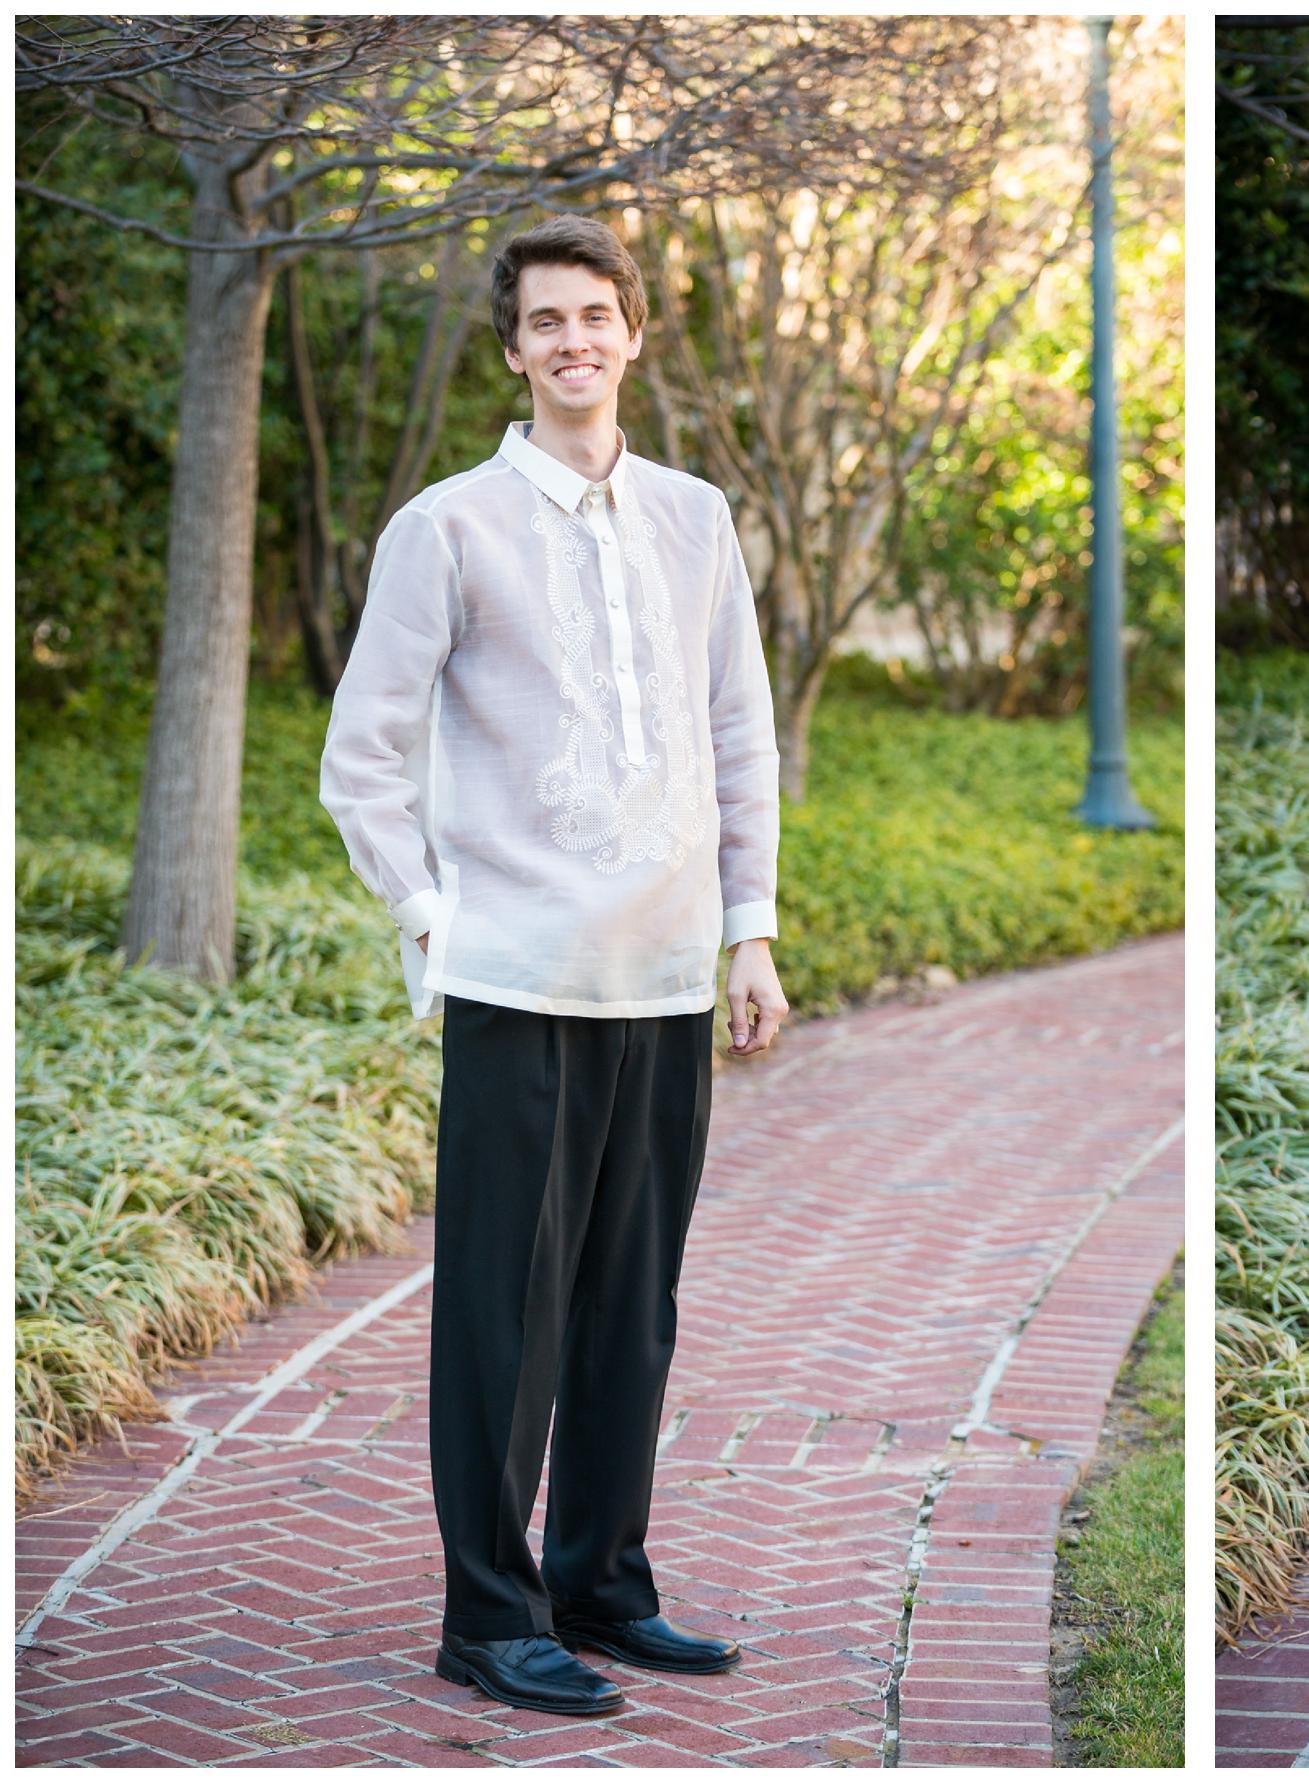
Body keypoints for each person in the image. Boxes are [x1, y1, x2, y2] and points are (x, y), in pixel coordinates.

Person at [320, 214, 790, 1717]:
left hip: (664, 976)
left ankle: (601, 1585)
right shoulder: (446, 528)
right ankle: (488, 1613)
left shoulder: (696, 517)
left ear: (634, 333)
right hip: (516, 977)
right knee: (505, 1314)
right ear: (513, 350)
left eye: (597, 314)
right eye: (546, 322)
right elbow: (362, 756)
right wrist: (430, 917)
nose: (574, 341)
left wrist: (750, 929)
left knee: (628, 1306)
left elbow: (738, 737)